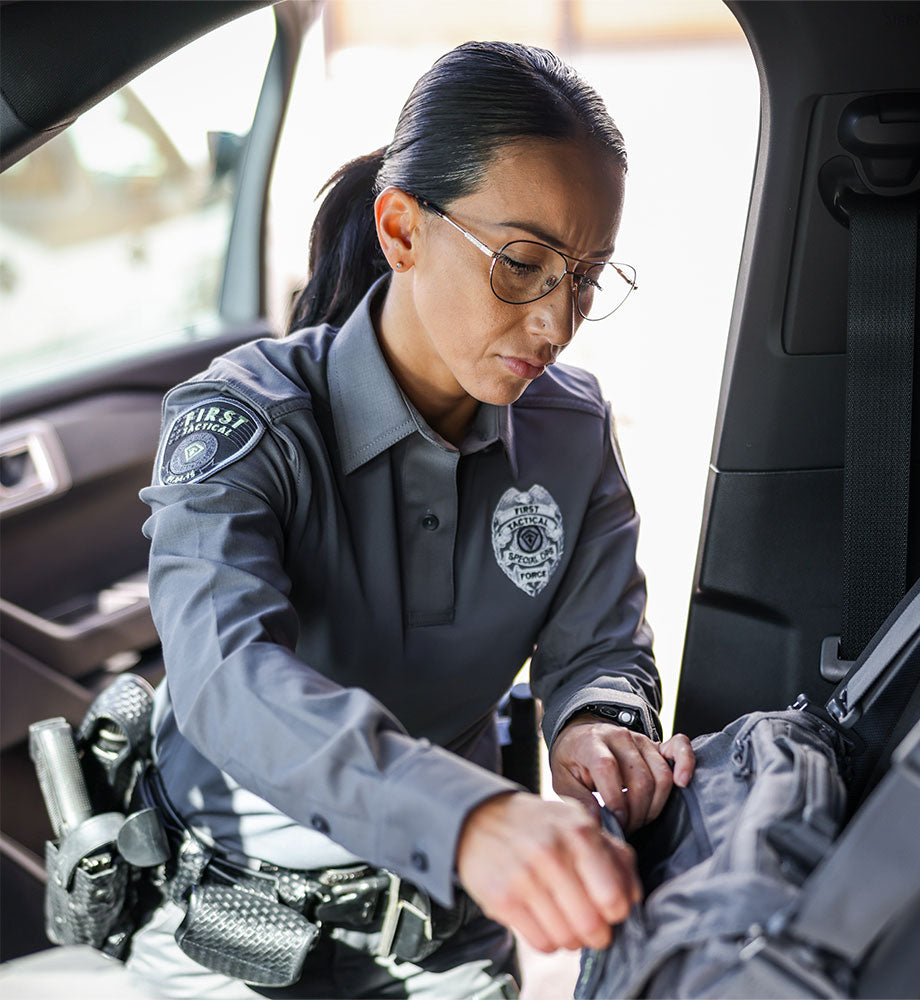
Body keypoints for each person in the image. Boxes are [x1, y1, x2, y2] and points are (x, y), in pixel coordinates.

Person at [126, 40, 695, 999]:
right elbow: (224, 674)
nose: (557, 324)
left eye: (588, 276)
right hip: (226, 922)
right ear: (400, 230)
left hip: (447, 931)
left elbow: (602, 644)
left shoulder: (570, 429)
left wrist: (600, 722)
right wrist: (468, 819)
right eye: (522, 264)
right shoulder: (245, 421)